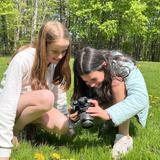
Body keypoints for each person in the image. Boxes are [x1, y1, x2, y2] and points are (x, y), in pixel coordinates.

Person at [0, 21, 72, 160]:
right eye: (55, 51)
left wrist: (68, 124)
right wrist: (3, 149)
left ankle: (25, 127)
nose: (60, 56)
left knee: (63, 125)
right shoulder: (23, 60)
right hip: (9, 107)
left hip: (31, 109)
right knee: (46, 98)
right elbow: (7, 104)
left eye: (64, 51)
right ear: (42, 45)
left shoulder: (57, 63)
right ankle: (15, 132)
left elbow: (59, 97)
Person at [70, 47, 149, 159]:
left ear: (104, 65)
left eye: (93, 79)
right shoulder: (88, 70)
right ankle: (110, 123)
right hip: (105, 97)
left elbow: (140, 98)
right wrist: (77, 111)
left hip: (120, 96)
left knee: (117, 82)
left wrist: (108, 114)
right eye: (86, 81)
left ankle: (123, 137)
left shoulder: (122, 65)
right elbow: (84, 93)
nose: (91, 85)